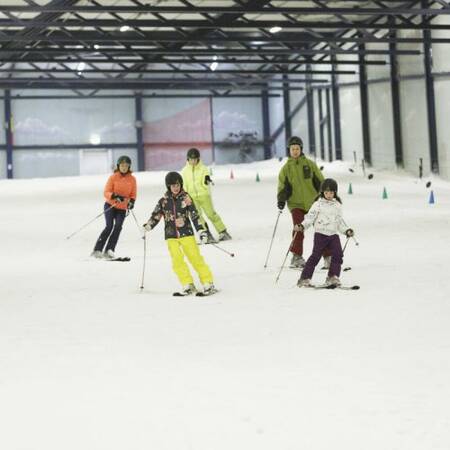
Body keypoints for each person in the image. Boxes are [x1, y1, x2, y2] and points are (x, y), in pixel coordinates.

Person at [143, 171, 215, 296]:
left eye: (177, 185)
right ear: (168, 187)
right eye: (172, 186)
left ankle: (207, 282)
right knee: (177, 261)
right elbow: (156, 215)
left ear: (181, 184)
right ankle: (187, 284)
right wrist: (149, 225)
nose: (175, 188)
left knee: (195, 258)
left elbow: (194, 215)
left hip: (186, 233)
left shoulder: (186, 198)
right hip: (171, 236)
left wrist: (201, 230)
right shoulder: (163, 201)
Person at [296, 178, 354, 287]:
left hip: (333, 235)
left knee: (338, 255)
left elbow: (339, 222)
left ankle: (332, 277)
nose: (329, 195)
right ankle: (304, 278)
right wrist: (302, 225)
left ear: (335, 193)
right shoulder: (317, 204)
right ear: (322, 192)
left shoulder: (337, 205)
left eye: (331, 192)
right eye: (326, 192)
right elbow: (310, 218)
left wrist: (346, 230)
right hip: (320, 235)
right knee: (316, 256)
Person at [277, 136, 324, 268]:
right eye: (293, 149)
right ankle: (296, 257)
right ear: (289, 150)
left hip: (312, 202)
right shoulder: (286, 169)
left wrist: (324, 193)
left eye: (297, 149)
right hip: (295, 204)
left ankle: (328, 256)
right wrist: (281, 199)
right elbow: (282, 187)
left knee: (322, 229)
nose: (295, 151)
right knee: (298, 229)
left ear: (301, 149)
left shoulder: (309, 164)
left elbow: (320, 181)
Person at [180, 147, 231, 243]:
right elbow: (184, 185)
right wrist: (185, 195)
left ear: (198, 159)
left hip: (204, 196)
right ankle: (206, 233)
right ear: (188, 159)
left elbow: (205, 180)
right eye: (191, 159)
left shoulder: (203, 169)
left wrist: (206, 180)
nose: (193, 161)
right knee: (198, 216)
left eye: (195, 159)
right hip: (192, 198)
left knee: (211, 214)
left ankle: (223, 231)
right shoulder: (184, 171)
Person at [91, 155, 137, 259]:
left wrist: (132, 202)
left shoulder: (132, 179)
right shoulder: (113, 177)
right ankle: (97, 249)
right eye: (122, 165)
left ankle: (109, 249)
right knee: (109, 226)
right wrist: (114, 196)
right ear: (118, 166)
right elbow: (106, 192)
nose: (124, 167)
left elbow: (133, 194)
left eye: (126, 165)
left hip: (122, 208)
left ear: (129, 167)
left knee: (118, 227)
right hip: (111, 205)